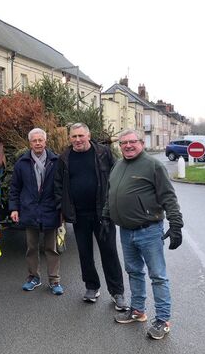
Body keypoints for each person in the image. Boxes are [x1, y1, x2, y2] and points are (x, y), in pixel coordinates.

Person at [102, 129, 183, 340]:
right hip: (126, 231)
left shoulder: (153, 165)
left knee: (157, 275)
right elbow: (111, 193)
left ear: (141, 143)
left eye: (132, 142)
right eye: (123, 143)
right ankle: (138, 311)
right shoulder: (118, 165)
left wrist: (176, 224)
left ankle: (163, 320)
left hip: (149, 230)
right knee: (134, 272)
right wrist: (105, 216)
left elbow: (168, 197)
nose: (127, 146)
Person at [53, 123, 126, 309]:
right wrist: (63, 208)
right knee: (85, 254)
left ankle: (117, 292)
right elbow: (58, 185)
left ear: (88, 135)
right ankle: (92, 287)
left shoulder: (103, 153)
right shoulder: (65, 158)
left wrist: (113, 205)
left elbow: (115, 178)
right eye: (73, 137)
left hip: (103, 213)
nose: (77, 140)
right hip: (79, 215)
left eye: (80, 136)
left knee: (109, 252)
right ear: (69, 138)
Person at [9, 128, 63, 295]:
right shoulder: (22, 163)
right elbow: (15, 188)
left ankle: (54, 280)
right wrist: (14, 208)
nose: (38, 143)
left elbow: (62, 188)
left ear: (45, 142)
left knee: (51, 248)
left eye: (40, 140)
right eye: (34, 141)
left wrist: (63, 209)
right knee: (31, 247)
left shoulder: (56, 161)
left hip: (50, 209)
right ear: (30, 143)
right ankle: (33, 277)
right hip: (29, 210)